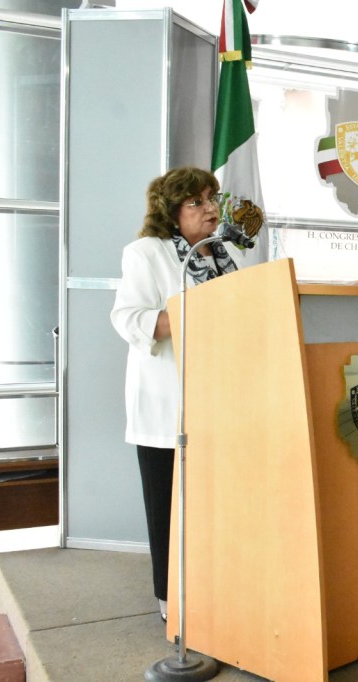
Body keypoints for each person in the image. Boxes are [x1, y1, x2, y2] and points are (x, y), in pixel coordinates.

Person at [110, 167, 240, 622]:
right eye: (197, 202)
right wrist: (194, 313)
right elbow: (128, 319)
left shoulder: (219, 253)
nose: (210, 209)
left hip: (219, 400)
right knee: (168, 507)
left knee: (214, 505)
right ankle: (172, 601)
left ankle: (214, 586)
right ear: (172, 211)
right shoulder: (146, 253)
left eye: (212, 199)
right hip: (167, 404)